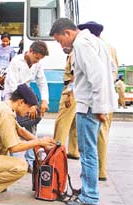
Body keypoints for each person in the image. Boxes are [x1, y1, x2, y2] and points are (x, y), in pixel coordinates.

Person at [50, 18, 117, 205]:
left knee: (87, 154)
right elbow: (110, 69)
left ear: (67, 33)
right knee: (90, 152)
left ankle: (89, 197)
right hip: (93, 104)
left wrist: (99, 107)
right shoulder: (97, 42)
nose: (59, 44)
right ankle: (89, 191)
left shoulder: (80, 44)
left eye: (59, 40)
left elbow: (96, 76)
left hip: (88, 106)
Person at [78, 21, 119, 181]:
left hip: (96, 102)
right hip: (107, 99)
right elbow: (113, 71)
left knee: (90, 145)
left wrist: (100, 97)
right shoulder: (109, 47)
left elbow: (95, 75)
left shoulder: (88, 45)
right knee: (102, 136)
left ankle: (95, 180)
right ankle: (101, 172)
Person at [4, 40, 49, 172]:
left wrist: (44, 101)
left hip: (27, 98)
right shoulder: (16, 62)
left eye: (40, 59)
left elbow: (42, 82)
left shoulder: (37, 65)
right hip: (14, 98)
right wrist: (31, 105)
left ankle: (31, 162)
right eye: (36, 58)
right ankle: (16, 163)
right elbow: (14, 86)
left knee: (31, 128)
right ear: (30, 51)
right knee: (13, 130)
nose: (37, 61)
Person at [53, 48, 79, 160]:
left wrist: (69, 93)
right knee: (74, 123)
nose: (62, 47)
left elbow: (75, 74)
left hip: (71, 90)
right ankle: (74, 151)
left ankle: (57, 151)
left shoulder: (74, 52)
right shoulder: (79, 51)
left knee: (62, 122)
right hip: (78, 91)